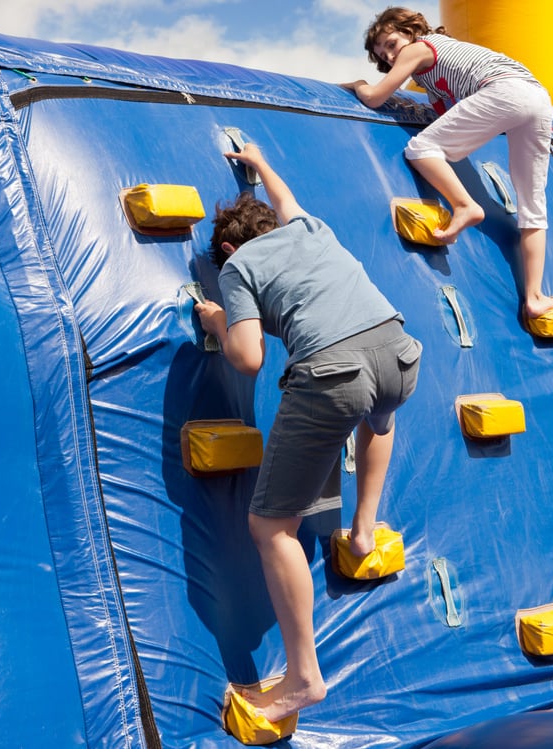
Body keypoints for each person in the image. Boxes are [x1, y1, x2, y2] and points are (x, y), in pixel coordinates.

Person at [194, 142, 422, 724]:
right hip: (398, 351)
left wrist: (219, 318)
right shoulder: (311, 228)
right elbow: (285, 197)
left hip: (333, 373)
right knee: (380, 417)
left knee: (270, 526)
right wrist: (262, 162)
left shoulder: (240, 267)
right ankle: (364, 530)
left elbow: (247, 358)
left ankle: (302, 679)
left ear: (226, 250)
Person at [342, 6, 553, 322]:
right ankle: (534, 297)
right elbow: (446, 115)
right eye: (383, 56)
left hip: (505, 91)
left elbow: (375, 97)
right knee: (532, 206)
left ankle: (465, 206)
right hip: (536, 98)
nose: (390, 57)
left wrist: (358, 84)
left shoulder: (420, 47)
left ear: (409, 31)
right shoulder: (434, 75)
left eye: (391, 45)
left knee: (421, 149)